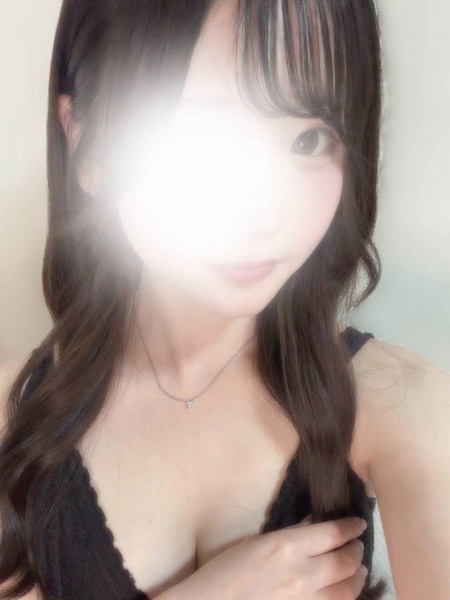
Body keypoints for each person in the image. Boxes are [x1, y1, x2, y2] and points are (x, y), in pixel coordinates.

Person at [0, 0, 449, 599]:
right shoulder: (11, 422)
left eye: (309, 139)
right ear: (87, 142)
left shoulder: (403, 406)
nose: (263, 215)